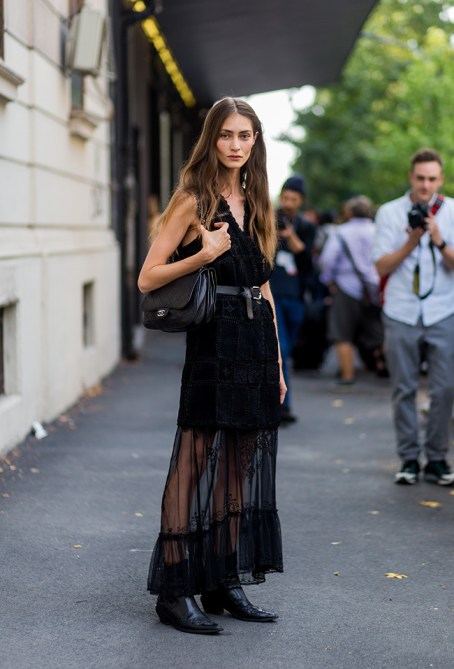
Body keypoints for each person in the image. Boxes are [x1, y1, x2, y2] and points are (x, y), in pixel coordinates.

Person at [138, 98, 285, 635]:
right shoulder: (193, 199)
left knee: (238, 467)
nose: (235, 144)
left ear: (255, 141)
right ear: (212, 139)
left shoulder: (258, 200)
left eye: (245, 135)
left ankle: (222, 580)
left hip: (255, 344)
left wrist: (277, 360)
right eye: (226, 134)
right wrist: (204, 254)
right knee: (195, 461)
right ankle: (175, 590)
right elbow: (147, 277)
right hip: (213, 342)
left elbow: (263, 286)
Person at [373, 148, 454, 486]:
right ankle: (408, 458)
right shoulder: (389, 212)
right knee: (403, 388)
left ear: (441, 179)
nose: (425, 185)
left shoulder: (451, 211)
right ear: (411, 177)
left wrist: (438, 239)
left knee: (444, 388)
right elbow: (381, 266)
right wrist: (411, 242)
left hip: (443, 310)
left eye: (432, 179)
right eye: (420, 178)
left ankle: (436, 458)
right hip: (401, 309)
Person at [319, 196, 385, 384]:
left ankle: (347, 376)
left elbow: (327, 259)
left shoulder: (341, 232)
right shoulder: (378, 231)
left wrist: (328, 280)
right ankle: (385, 368)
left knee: (342, 333)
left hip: (346, 287)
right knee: (378, 332)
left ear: (349, 212)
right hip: (374, 289)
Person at [270, 175, 315, 422]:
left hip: (295, 295)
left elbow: (306, 257)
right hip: (273, 292)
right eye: (285, 198)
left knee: (287, 349)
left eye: (293, 200)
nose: (288, 203)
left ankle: (280, 403)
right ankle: (282, 406)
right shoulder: (268, 218)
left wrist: (290, 236)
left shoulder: (306, 226)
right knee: (281, 349)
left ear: (301, 201)